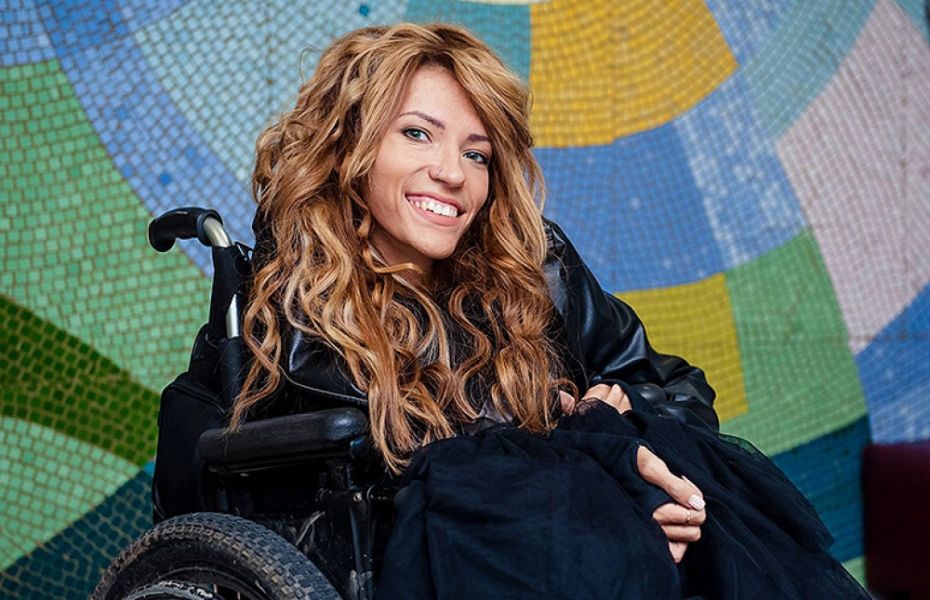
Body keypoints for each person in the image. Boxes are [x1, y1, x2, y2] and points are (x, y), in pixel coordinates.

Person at [231, 22, 869, 599]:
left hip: (583, 554)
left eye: (477, 153)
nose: (453, 173)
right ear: (349, 145)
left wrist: (625, 432)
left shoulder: (535, 269)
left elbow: (677, 390)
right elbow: (394, 472)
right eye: (417, 133)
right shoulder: (298, 291)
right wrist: (601, 480)